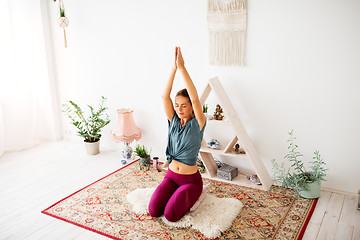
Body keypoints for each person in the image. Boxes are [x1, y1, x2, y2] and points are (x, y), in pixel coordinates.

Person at [148, 46, 207, 222]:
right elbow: (164, 96)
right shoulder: (173, 120)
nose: (179, 109)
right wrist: (173, 68)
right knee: (153, 210)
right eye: (177, 105)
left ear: (191, 107)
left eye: (184, 105)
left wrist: (182, 68)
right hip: (171, 176)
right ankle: (175, 193)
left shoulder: (199, 123)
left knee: (171, 215)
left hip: (190, 181)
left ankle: (195, 194)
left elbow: (196, 98)